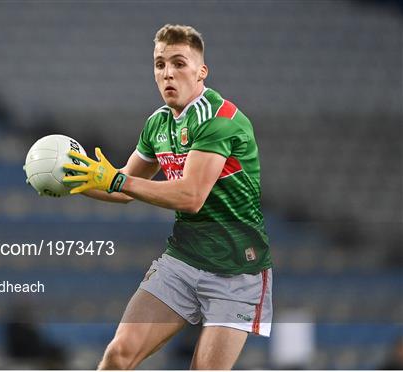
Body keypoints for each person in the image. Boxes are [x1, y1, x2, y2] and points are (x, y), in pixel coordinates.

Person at [63, 24, 272, 370]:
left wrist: (115, 181)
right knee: (118, 354)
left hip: (237, 270)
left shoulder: (220, 120)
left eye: (179, 63)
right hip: (183, 260)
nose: (168, 73)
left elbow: (190, 196)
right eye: (160, 64)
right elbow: (125, 187)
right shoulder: (158, 124)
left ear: (201, 71)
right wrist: (74, 181)